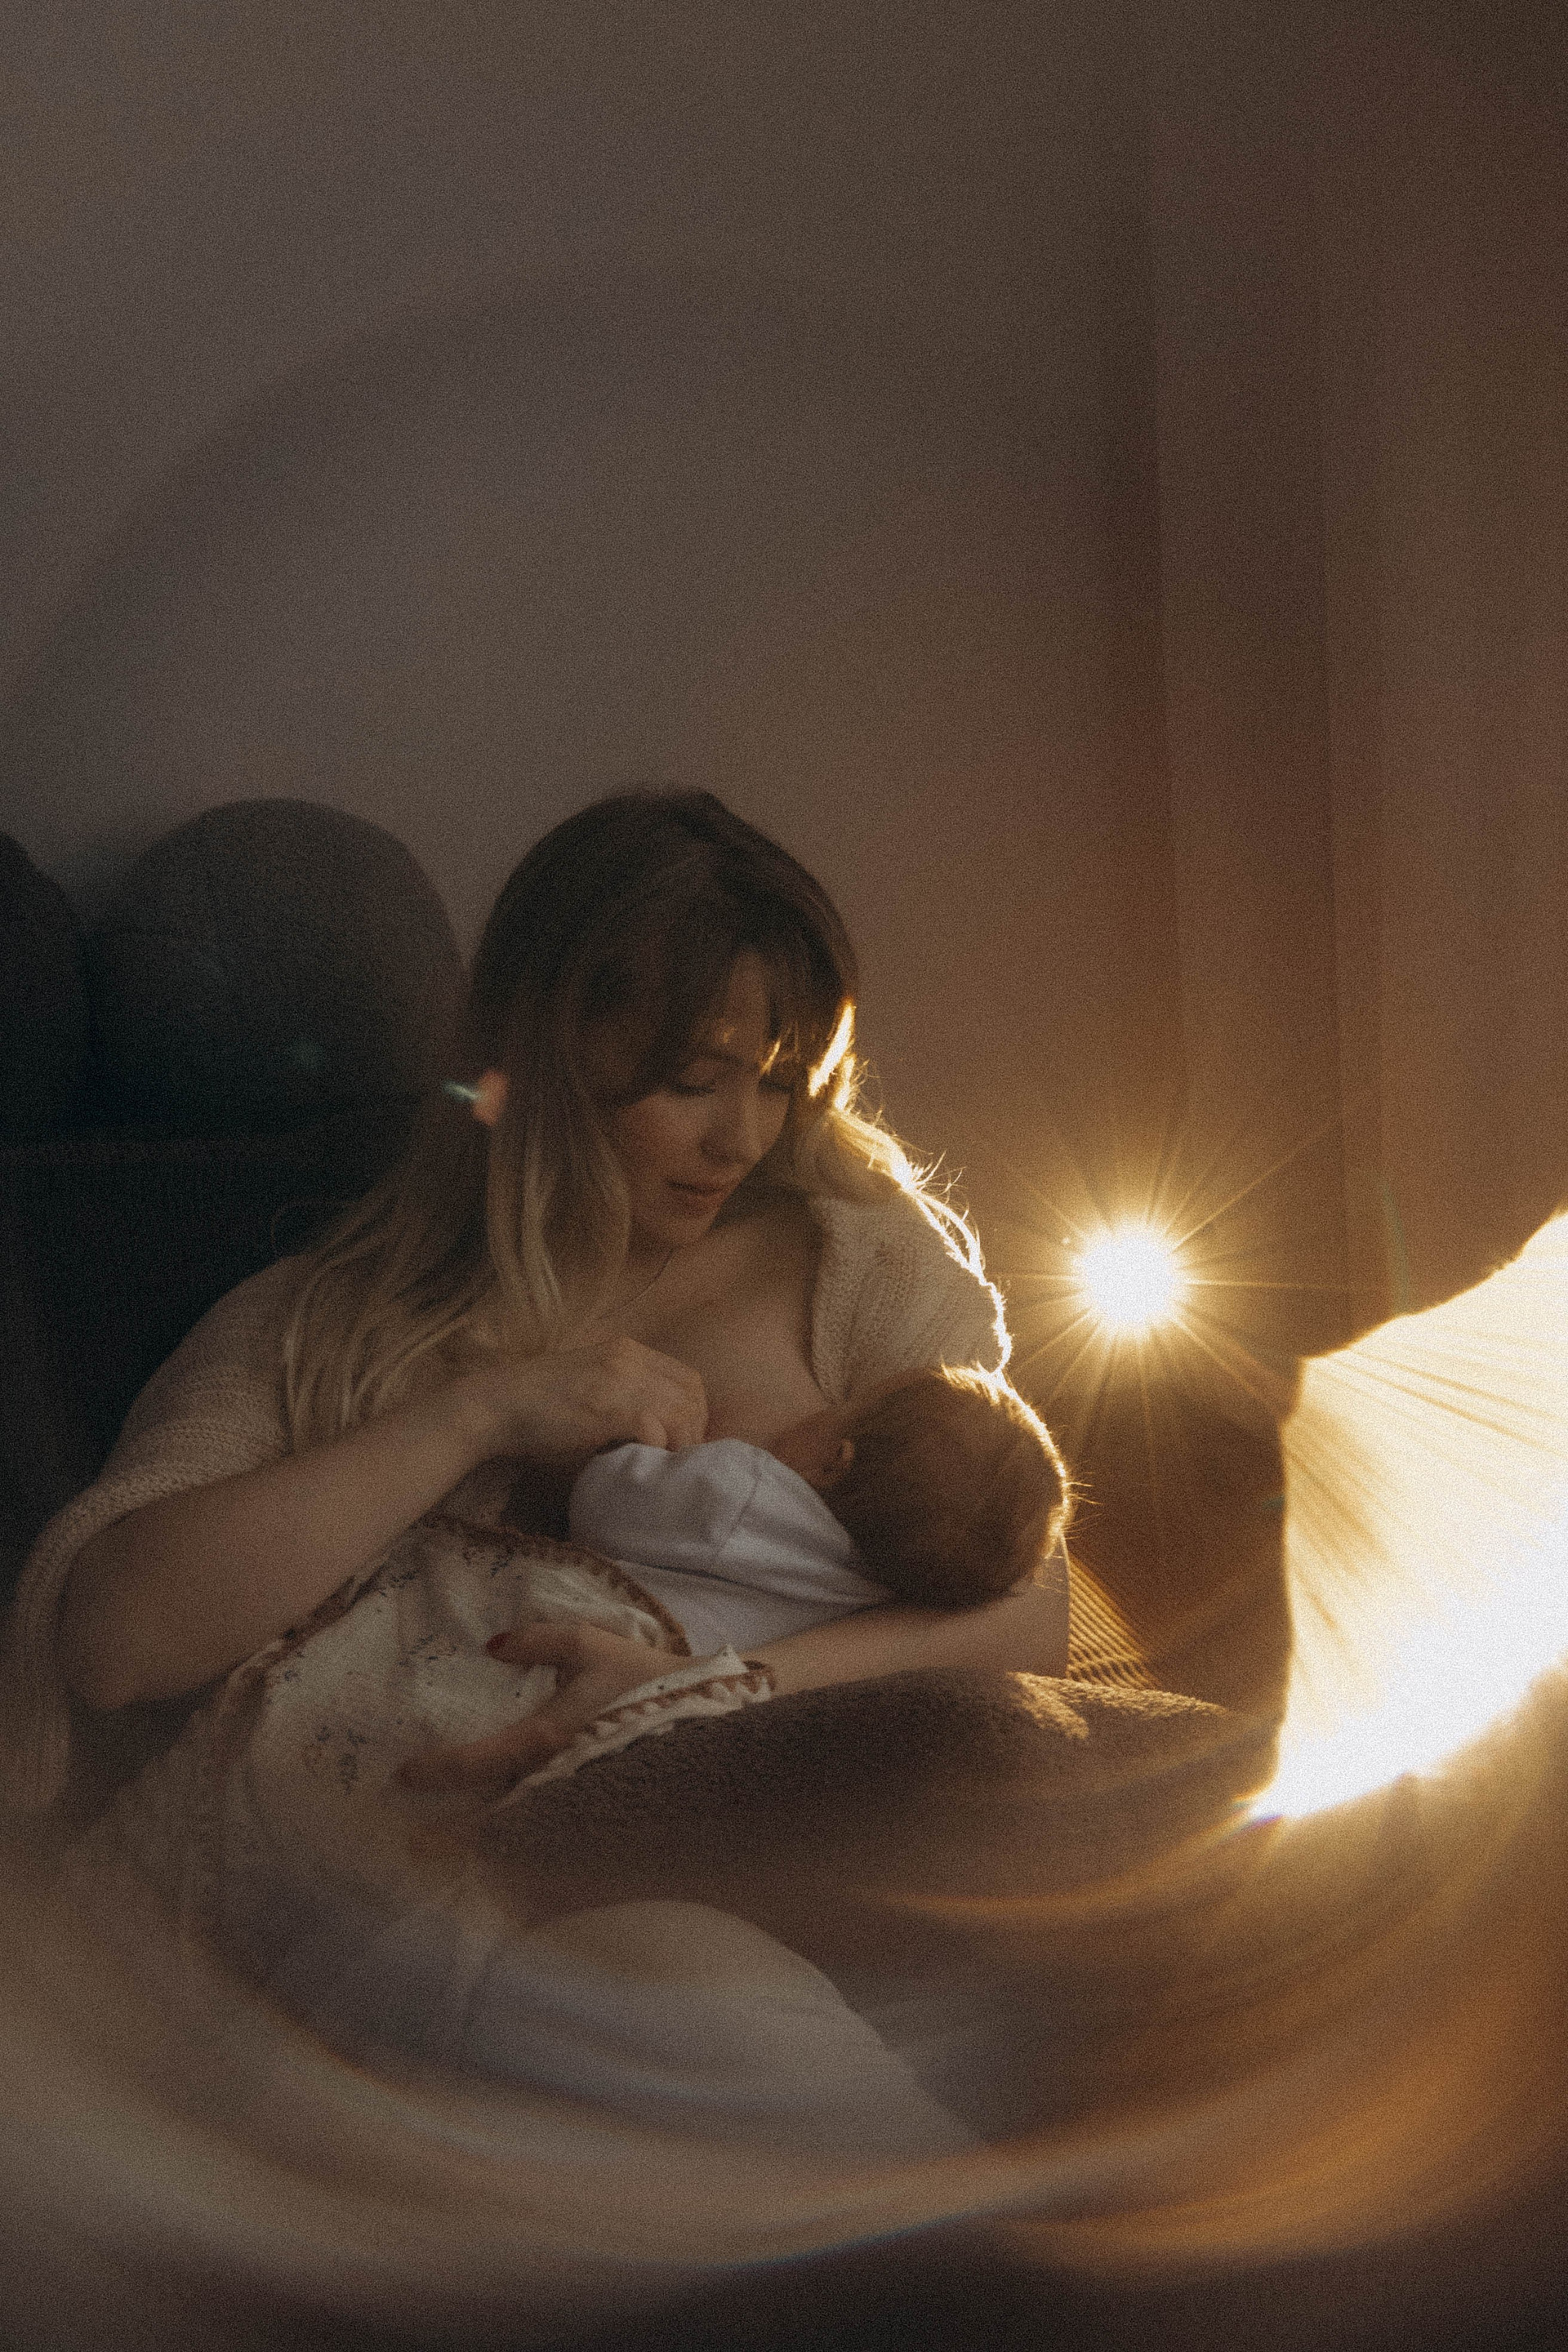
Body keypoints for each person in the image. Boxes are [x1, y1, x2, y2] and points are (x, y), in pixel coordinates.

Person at [0, 788, 1076, 2152]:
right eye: (693, 1080)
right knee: (675, 2006)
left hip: (771, 1862)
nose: (741, 1138)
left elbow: (1029, 1611)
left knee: (714, 1999)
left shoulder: (855, 1261)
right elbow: (112, 1639)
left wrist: (702, 1695)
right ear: (547, 1048)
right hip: (428, 1903)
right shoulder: (324, 1323)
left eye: (776, 1077)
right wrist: (478, 1417)